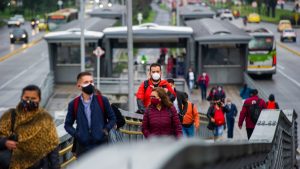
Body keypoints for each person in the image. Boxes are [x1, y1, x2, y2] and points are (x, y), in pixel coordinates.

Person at [0, 85, 60, 169]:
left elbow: (53, 147)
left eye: (33, 98)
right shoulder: (10, 116)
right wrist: (5, 142)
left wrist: (56, 167)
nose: (29, 101)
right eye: (26, 97)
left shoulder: (45, 118)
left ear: (39, 99)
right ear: (21, 98)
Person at [64, 72, 116, 157]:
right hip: (82, 148)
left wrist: (105, 130)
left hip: (101, 146)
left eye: (91, 81)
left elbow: (112, 118)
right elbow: (67, 125)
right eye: (86, 82)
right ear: (79, 86)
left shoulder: (102, 100)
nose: (90, 84)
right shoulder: (74, 104)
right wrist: (77, 134)